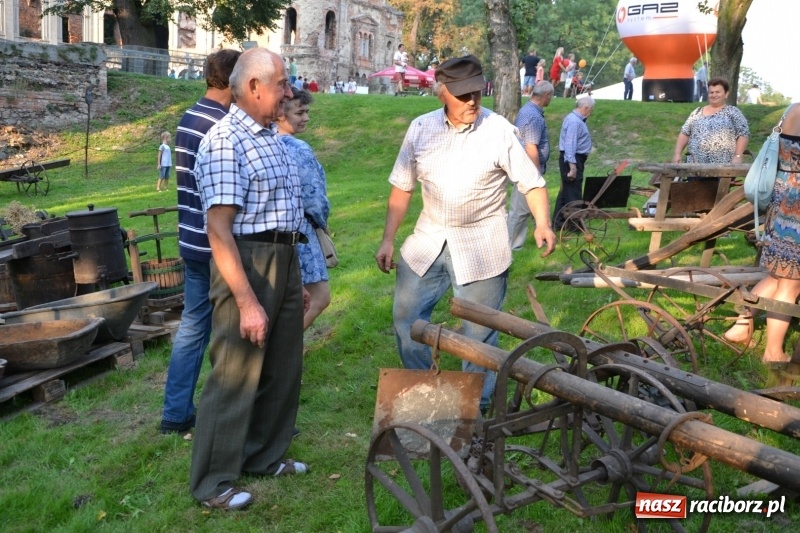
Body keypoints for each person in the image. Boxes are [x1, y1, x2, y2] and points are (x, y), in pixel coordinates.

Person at [374, 55, 556, 412]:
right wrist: (387, 238)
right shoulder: (420, 129)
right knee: (407, 321)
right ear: (441, 92)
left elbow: (532, 183)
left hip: (481, 245)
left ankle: (476, 409)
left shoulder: (499, 130)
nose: (472, 101)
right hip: (428, 242)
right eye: (462, 95)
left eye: (477, 92)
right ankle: (426, 394)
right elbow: (401, 187)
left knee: (479, 336)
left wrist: (543, 223)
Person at [190, 47, 309, 511]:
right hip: (248, 260)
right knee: (235, 371)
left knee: (282, 363)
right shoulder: (225, 141)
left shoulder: (268, 135)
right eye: (281, 83)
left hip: (285, 256)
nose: (289, 90)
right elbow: (218, 230)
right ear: (254, 87)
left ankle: (264, 455)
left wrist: (293, 268)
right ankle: (213, 482)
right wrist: (247, 301)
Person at [159, 49, 241, 436]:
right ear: (234, 80)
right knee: (230, 330)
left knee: (193, 327)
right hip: (216, 244)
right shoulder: (220, 125)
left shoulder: (191, 116)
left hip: (190, 239)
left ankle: (175, 413)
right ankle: (228, 412)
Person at [724, 104, 800, 363]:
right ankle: (773, 352)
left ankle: (742, 325)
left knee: (780, 274)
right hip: (797, 207)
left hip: (783, 198)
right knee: (791, 282)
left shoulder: (793, 109)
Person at [277, 87, 332, 330]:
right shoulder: (297, 148)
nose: (306, 117)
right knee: (318, 297)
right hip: (301, 234)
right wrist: (322, 222)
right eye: (300, 112)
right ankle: (284, 353)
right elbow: (313, 197)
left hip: (273, 233)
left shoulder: (263, 141)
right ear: (280, 113)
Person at [508, 81, 554, 251]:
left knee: (523, 210)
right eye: (552, 96)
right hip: (527, 170)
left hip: (523, 167)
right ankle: (512, 246)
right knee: (519, 211)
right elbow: (531, 147)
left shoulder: (528, 110)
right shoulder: (533, 116)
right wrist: (535, 175)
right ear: (547, 95)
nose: (552, 99)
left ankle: (519, 242)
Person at [672, 77, 749, 164]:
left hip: (723, 167)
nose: (714, 95)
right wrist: (677, 153)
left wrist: (738, 156)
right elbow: (684, 133)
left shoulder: (733, 112)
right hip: (694, 166)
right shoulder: (697, 112)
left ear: (726, 94)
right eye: (711, 92)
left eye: (717, 92)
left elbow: (743, 134)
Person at [553, 97, 595, 231]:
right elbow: (569, 145)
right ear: (586, 108)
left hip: (574, 158)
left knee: (565, 192)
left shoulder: (575, 119)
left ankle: (558, 223)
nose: (591, 112)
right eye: (591, 109)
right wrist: (573, 167)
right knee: (574, 194)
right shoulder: (574, 122)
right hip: (572, 159)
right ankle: (574, 226)